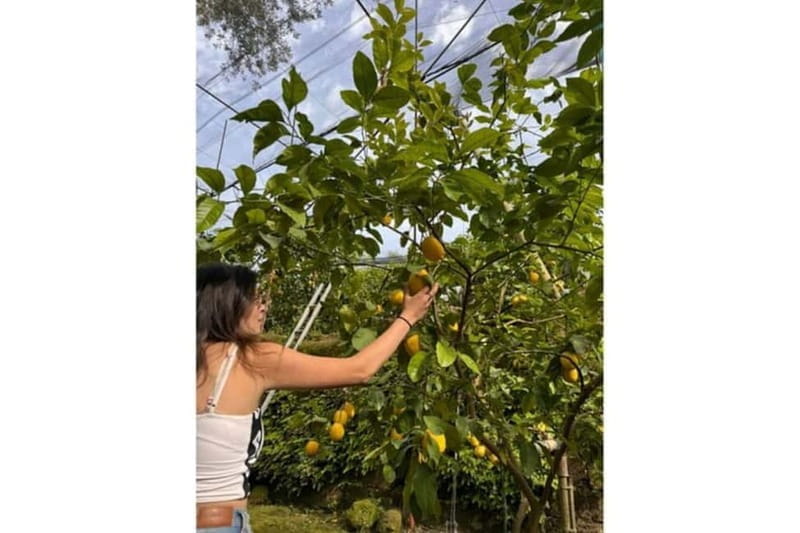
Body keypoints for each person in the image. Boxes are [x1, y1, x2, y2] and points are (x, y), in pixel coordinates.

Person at [196, 263, 439, 532]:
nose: (263, 307)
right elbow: (359, 370)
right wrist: (408, 317)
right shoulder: (252, 359)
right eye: (255, 299)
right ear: (227, 304)